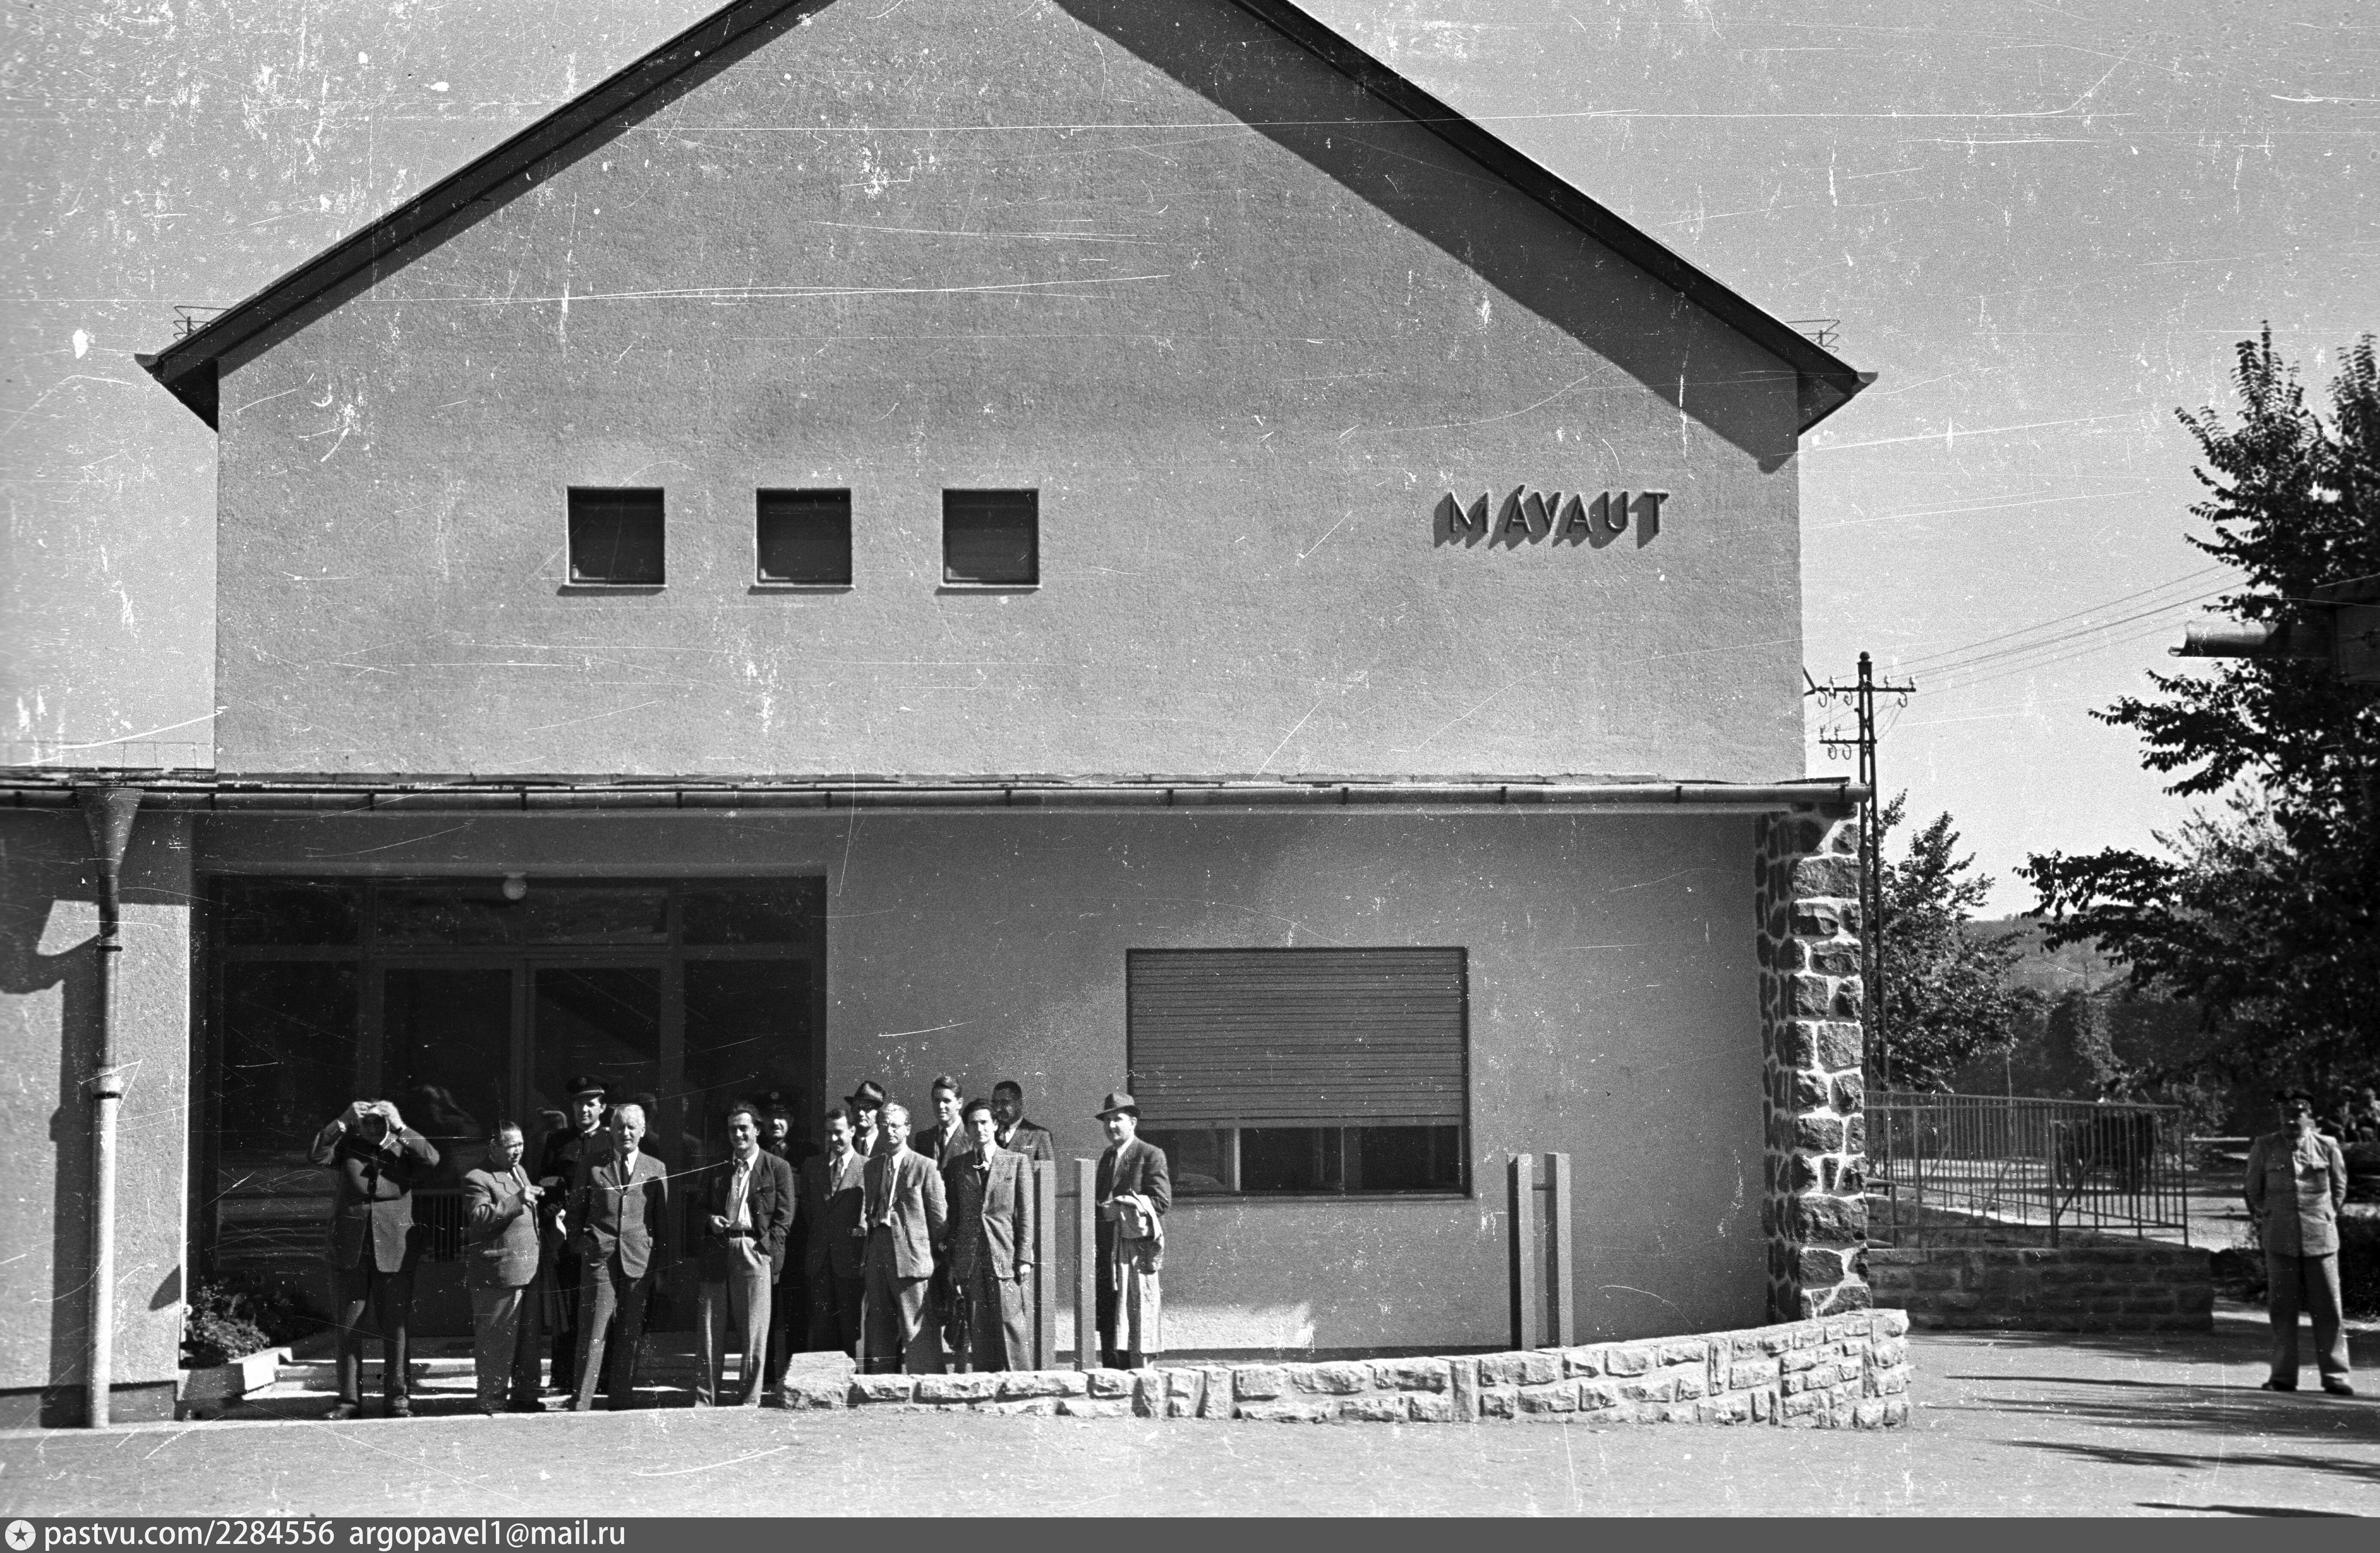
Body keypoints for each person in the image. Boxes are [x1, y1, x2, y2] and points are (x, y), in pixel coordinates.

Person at [310, 1099, 439, 1419]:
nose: (371, 1128)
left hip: (394, 1250)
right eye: (365, 1122)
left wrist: (401, 1127)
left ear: (388, 1123)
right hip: (350, 1250)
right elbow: (318, 1154)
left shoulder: (403, 1146)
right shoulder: (348, 1146)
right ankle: (349, 1401)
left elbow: (432, 1159)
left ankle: (397, 1399)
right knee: (348, 1327)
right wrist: (342, 1120)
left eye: (378, 1122)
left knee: (395, 1326)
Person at [2244, 1088, 2354, 1396]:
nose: (2291, 1121)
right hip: (2280, 1238)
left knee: (2329, 1310)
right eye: (2286, 1115)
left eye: (2297, 1115)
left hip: (2321, 1238)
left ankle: (2336, 1377)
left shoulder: (2327, 1146)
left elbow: (2339, 1187)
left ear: (2309, 1116)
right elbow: (2253, 1188)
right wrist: (2269, 1214)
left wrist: (2326, 1216)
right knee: (2282, 1311)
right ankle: (2282, 1377)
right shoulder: (2265, 1146)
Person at [569, 1101, 670, 1411]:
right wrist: (580, 1243)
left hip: (638, 1259)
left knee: (630, 1332)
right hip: (600, 1258)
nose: (625, 1133)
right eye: (619, 1127)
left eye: (631, 1127)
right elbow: (576, 1210)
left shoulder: (656, 1168)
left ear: (643, 1131)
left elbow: (663, 1220)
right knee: (593, 1331)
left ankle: (621, 1399)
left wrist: (661, 1265)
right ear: (610, 1131)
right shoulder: (592, 1164)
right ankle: (582, 1400)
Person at [696, 1103, 796, 1407]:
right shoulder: (717, 1168)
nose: (738, 1134)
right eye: (733, 1129)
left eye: (744, 1128)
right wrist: (710, 1220)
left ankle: (748, 1399)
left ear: (757, 1130)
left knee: (754, 1331)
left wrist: (765, 1250)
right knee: (709, 1329)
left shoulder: (776, 1167)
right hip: (719, 1248)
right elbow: (699, 1207)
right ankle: (705, 1399)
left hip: (754, 1250)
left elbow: (785, 1217)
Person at [941, 1097, 1034, 1372]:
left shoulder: (1016, 1162)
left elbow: (1025, 1215)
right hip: (971, 1257)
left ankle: (1022, 1383)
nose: (980, 1129)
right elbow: (955, 1217)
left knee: (1011, 1322)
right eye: (973, 1124)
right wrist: (954, 1262)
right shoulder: (958, 1166)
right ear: (967, 1129)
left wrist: (1024, 1257)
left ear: (995, 1125)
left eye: (984, 1123)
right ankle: (987, 1382)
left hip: (1004, 1254)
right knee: (979, 1325)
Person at [461, 1121, 546, 1415]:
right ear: (494, 1147)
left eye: (521, 1144)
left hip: (527, 1267)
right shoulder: (477, 1178)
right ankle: (492, 1399)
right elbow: (479, 1216)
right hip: (498, 1271)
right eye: (511, 1146)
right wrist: (518, 1200)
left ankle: (526, 1395)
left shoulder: (519, 1171)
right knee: (496, 1340)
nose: (517, 1151)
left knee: (527, 1340)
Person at [534, 1076, 609, 1396]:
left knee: (600, 1306)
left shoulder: (612, 1139)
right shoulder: (558, 1141)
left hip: (599, 1233)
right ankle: (563, 1375)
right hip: (566, 1235)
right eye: (579, 1104)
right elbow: (547, 1181)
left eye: (590, 1105)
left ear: (602, 1108)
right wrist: (552, 1207)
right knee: (566, 1305)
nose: (584, 1110)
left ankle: (601, 1376)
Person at [860, 1103, 946, 1374]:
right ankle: (883, 1385)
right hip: (878, 1253)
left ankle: (928, 1385)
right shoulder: (872, 1168)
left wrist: (932, 1257)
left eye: (895, 1126)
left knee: (917, 1329)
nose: (889, 1131)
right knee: (879, 1326)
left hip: (911, 1257)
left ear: (907, 1129)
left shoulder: (925, 1167)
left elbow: (939, 1220)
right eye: (884, 1125)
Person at [1092, 1091, 1168, 1371]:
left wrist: (1123, 1207)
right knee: (1110, 1318)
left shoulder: (1150, 1155)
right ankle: (1111, 1379)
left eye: (1118, 1119)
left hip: (1134, 1253)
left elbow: (1161, 1202)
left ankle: (1138, 1380)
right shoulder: (1107, 1157)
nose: (1111, 1126)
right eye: (1107, 1120)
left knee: (1136, 1316)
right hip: (1107, 1252)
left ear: (1133, 1122)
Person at [803, 1105, 869, 1357]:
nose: (833, 1139)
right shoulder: (812, 1166)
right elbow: (809, 1212)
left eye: (839, 1132)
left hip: (851, 1262)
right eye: (829, 1133)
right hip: (819, 1261)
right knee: (822, 1330)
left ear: (852, 1131)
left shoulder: (867, 1167)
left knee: (850, 1329)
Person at [990, 1081, 1056, 1165]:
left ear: (1019, 1103)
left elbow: (1047, 1173)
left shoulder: (1040, 1136)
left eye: (1005, 1102)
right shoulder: (988, 1134)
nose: (998, 1109)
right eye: (995, 1103)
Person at [914, 1076, 972, 1166]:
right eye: (937, 1101)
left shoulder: (972, 1136)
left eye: (947, 1101)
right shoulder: (923, 1139)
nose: (941, 1106)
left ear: (960, 1103)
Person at [847, 1080, 888, 1162]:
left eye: (867, 1108)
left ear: (879, 1112)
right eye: (857, 1107)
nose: (861, 1113)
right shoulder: (845, 1143)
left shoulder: (889, 1145)